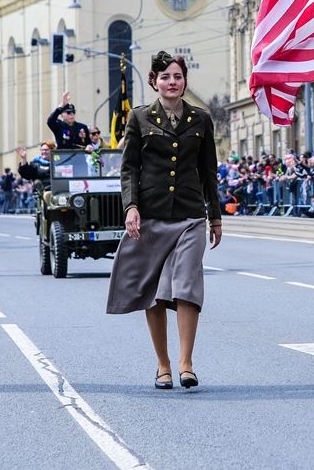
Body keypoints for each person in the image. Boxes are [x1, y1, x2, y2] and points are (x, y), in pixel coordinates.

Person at [106, 51, 221, 390]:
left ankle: (186, 363)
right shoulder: (139, 119)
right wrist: (131, 207)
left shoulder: (201, 120)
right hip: (152, 216)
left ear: (185, 81)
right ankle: (163, 364)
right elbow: (129, 169)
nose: (173, 82)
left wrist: (214, 216)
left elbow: (208, 171)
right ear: (154, 81)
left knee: (186, 286)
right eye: (166, 77)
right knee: (155, 293)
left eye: (178, 77)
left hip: (189, 215)